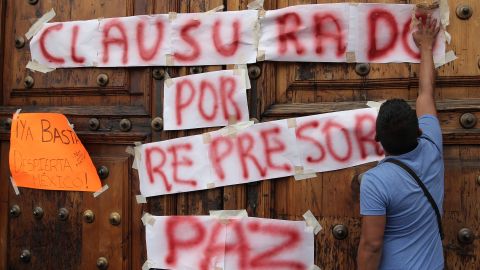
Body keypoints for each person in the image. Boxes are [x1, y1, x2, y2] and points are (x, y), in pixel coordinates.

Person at [356, 14, 443, 270]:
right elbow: (426, 93)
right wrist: (426, 46)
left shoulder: (376, 181)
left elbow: (371, 245)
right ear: (418, 130)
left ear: (378, 139)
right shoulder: (432, 146)